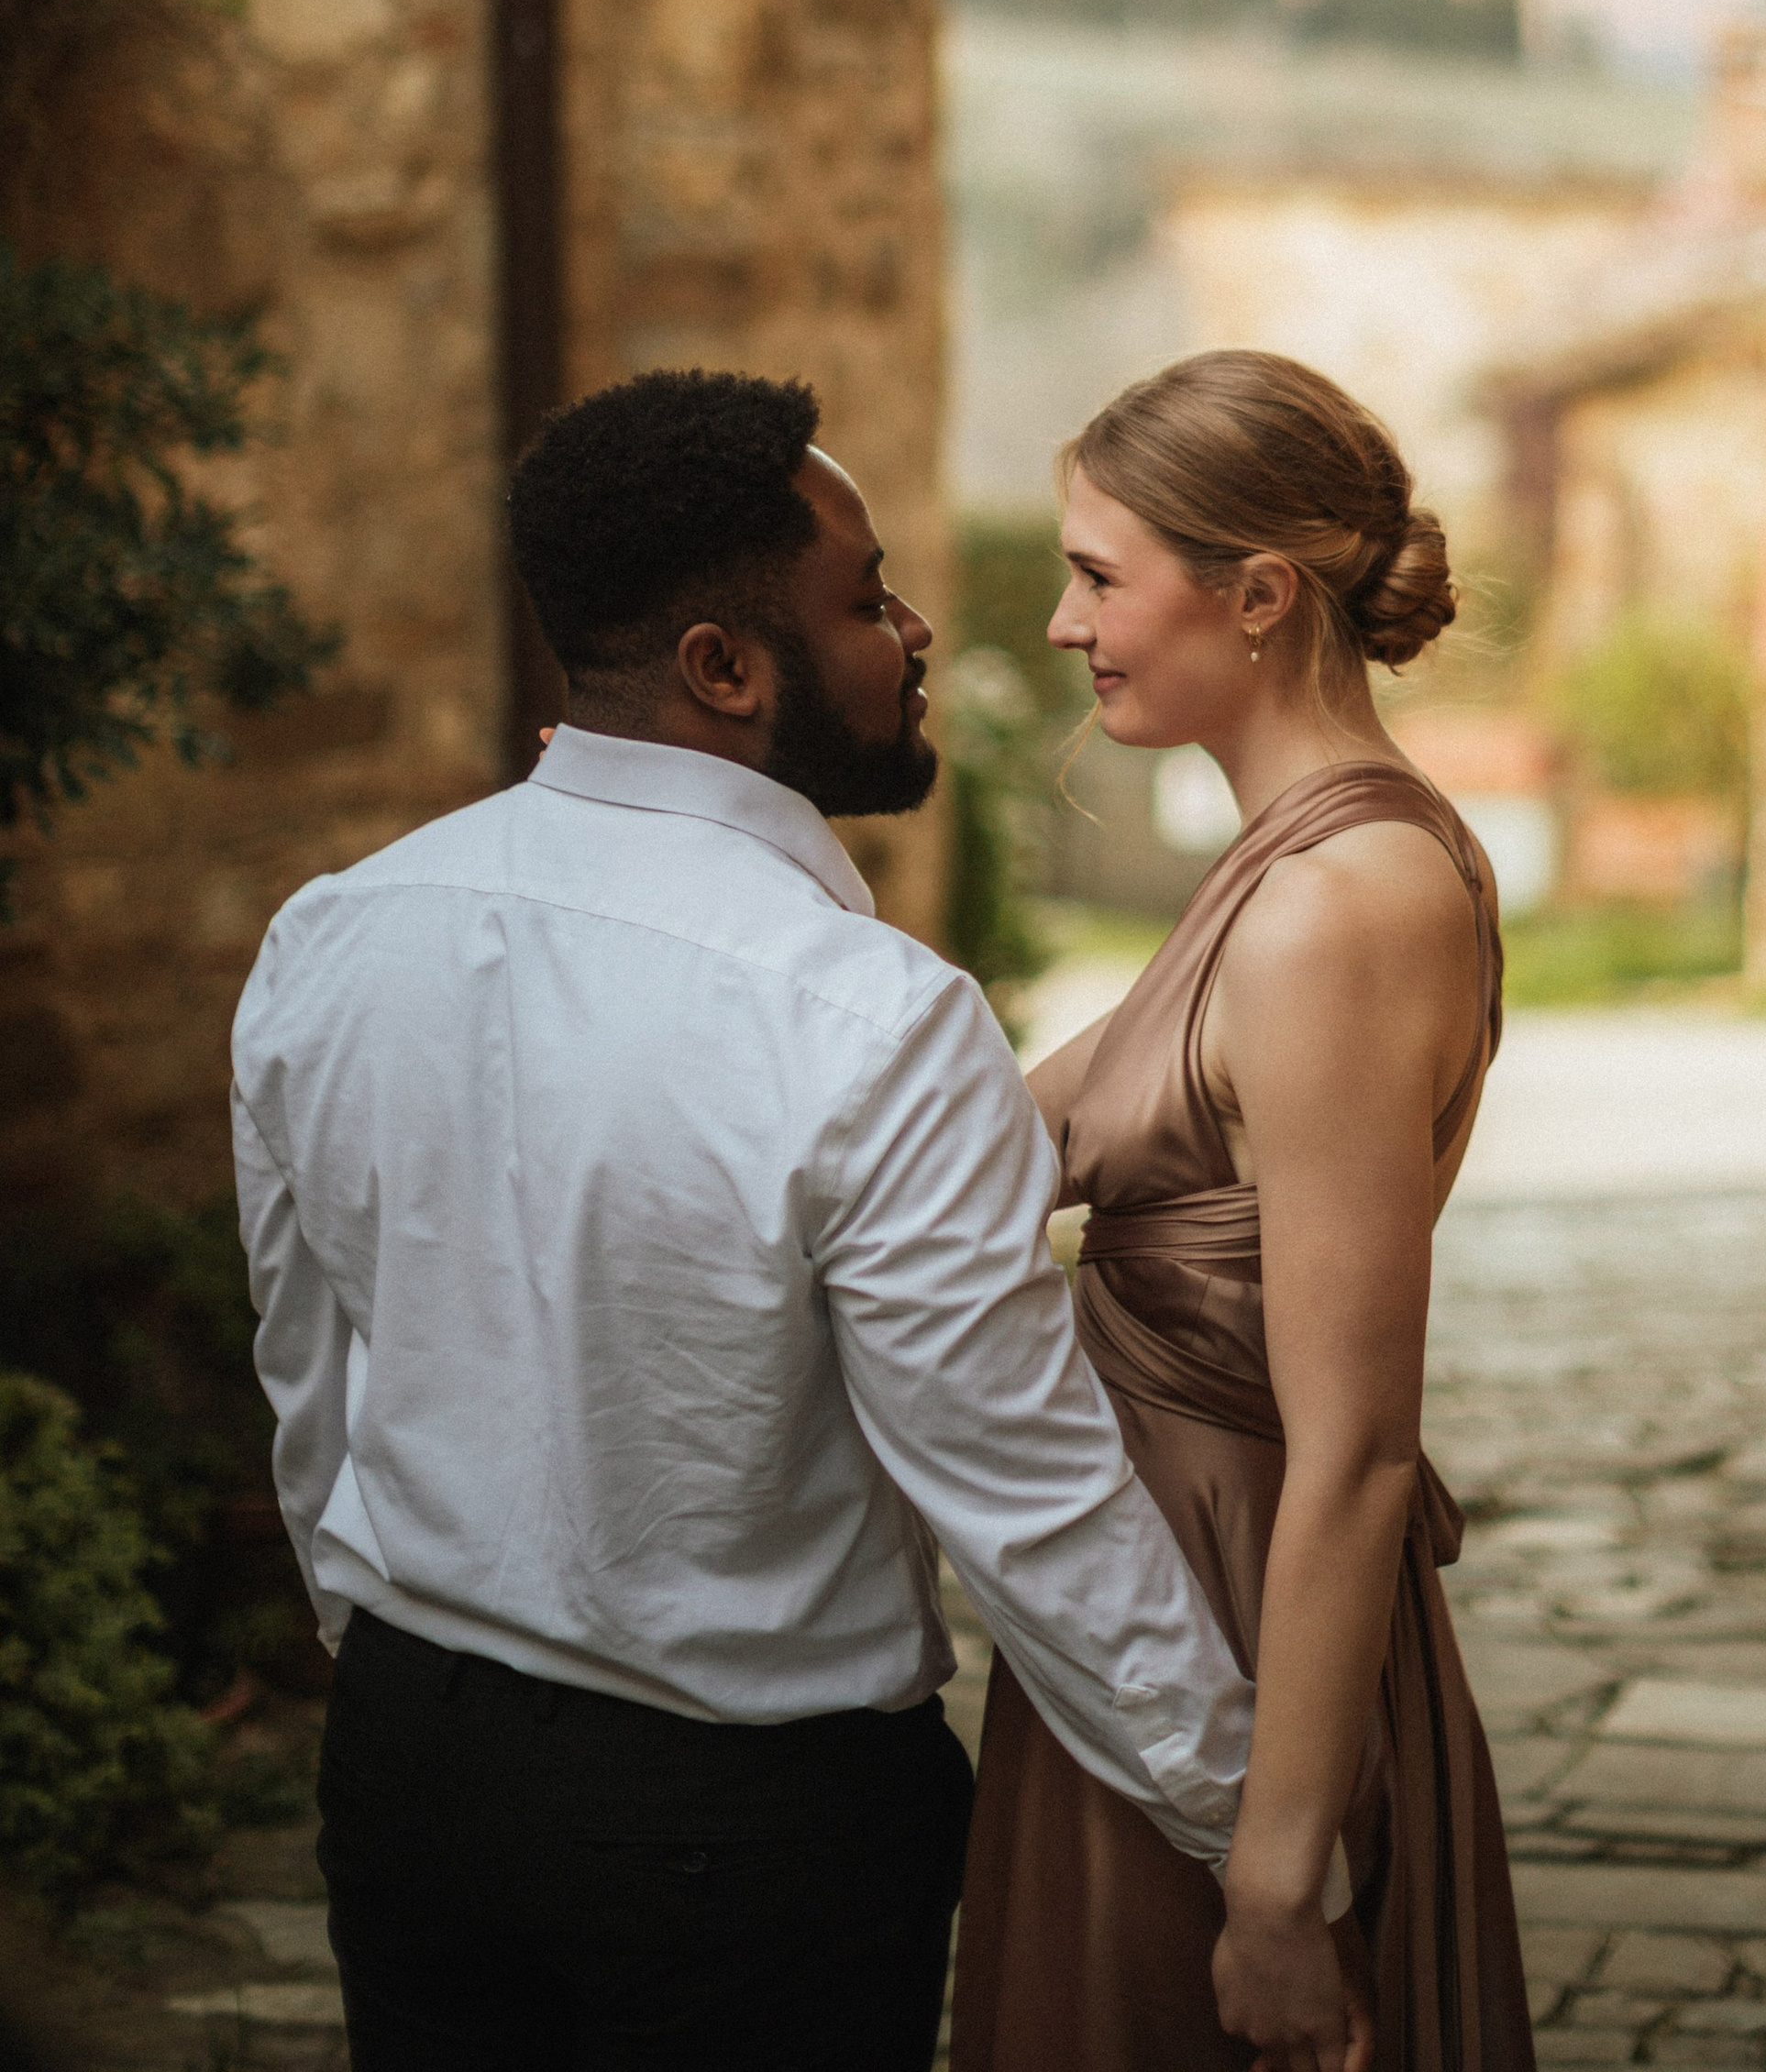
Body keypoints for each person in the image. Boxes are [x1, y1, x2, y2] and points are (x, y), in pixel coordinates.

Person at [230, 369, 1287, 2072]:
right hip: (741, 1833)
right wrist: (1259, 1839)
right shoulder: (872, 1019)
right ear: (726, 670)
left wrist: (399, 1658)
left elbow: (312, 1378)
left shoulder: (333, 935)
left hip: (411, 1766)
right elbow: (1025, 1499)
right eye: (865, 599)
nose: (918, 626)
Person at [952, 347, 1537, 2072]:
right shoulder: (1280, 872)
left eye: (1097, 575)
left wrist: (1278, 1883)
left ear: (1260, 594)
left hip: (1233, 1651)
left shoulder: (1337, 907)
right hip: (1152, 1601)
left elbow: (1354, 1445)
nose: (1065, 624)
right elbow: (981, 1140)